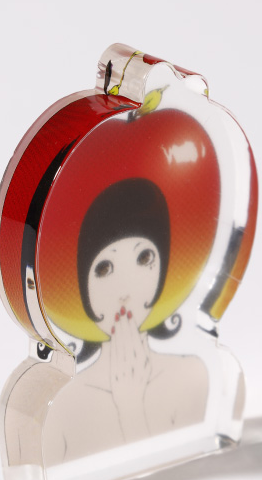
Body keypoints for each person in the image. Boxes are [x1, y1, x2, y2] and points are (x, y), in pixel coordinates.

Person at [42, 178, 209, 465]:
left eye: (144, 258)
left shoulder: (191, 376)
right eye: (104, 268)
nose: (124, 292)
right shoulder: (61, 405)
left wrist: (130, 406)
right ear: (82, 286)